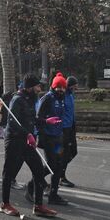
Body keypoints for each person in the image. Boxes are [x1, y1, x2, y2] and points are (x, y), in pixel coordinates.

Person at [0, 74, 57, 218]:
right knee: (9, 174)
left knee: (38, 172)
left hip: (27, 142)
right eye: (37, 86)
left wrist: (45, 121)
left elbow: (31, 119)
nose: (39, 89)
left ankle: (38, 206)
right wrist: (27, 135)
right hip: (15, 142)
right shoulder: (17, 100)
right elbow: (12, 123)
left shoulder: (30, 99)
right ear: (30, 87)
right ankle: (5, 204)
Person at [27, 72, 69, 206]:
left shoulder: (62, 99)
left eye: (63, 87)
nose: (61, 89)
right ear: (54, 86)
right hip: (48, 137)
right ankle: (32, 185)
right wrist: (43, 130)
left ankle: (53, 194)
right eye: (59, 87)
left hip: (58, 137)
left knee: (59, 165)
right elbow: (38, 119)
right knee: (51, 166)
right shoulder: (47, 99)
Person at [61, 76, 78, 187]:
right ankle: (61, 176)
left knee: (73, 152)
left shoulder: (71, 95)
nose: (76, 87)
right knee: (62, 153)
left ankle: (60, 170)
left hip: (71, 127)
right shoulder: (63, 96)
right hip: (63, 129)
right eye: (75, 85)